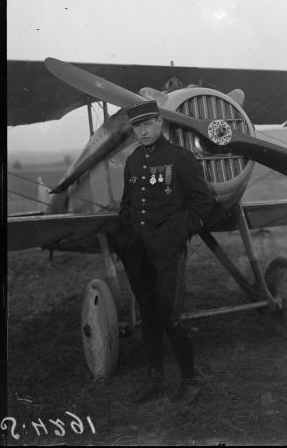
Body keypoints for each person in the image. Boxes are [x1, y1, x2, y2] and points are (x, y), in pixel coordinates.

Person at [108, 99, 215, 406]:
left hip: (168, 250)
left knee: (171, 316)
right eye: (136, 127)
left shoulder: (181, 159)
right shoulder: (133, 161)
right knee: (148, 314)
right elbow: (128, 203)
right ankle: (154, 378)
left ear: (158, 123)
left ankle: (190, 378)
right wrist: (130, 231)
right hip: (140, 251)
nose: (141, 132)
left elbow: (201, 204)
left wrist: (177, 233)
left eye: (146, 125)